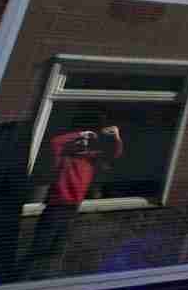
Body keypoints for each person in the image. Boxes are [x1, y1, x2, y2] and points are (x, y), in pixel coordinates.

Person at [24, 107, 123, 276]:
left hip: (72, 206)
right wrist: (80, 134)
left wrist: (116, 136)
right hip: (57, 204)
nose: (86, 143)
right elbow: (56, 142)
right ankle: (27, 278)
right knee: (40, 247)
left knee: (57, 249)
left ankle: (45, 278)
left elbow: (114, 154)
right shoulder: (65, 154)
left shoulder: (91, 156)